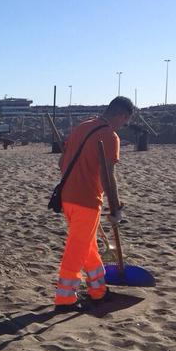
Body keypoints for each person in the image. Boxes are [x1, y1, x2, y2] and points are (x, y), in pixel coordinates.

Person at [54, 96, 134, 311]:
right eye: (124, 122)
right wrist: (115, 207)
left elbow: (62, 162)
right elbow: (108, 176)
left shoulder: (83, 126)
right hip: (86, 200)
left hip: (67, 196)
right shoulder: (109, 135)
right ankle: (65, 299)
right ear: (121, 115)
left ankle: (98, 290)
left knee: (86, 244)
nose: (123, 126)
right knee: (76, 248)